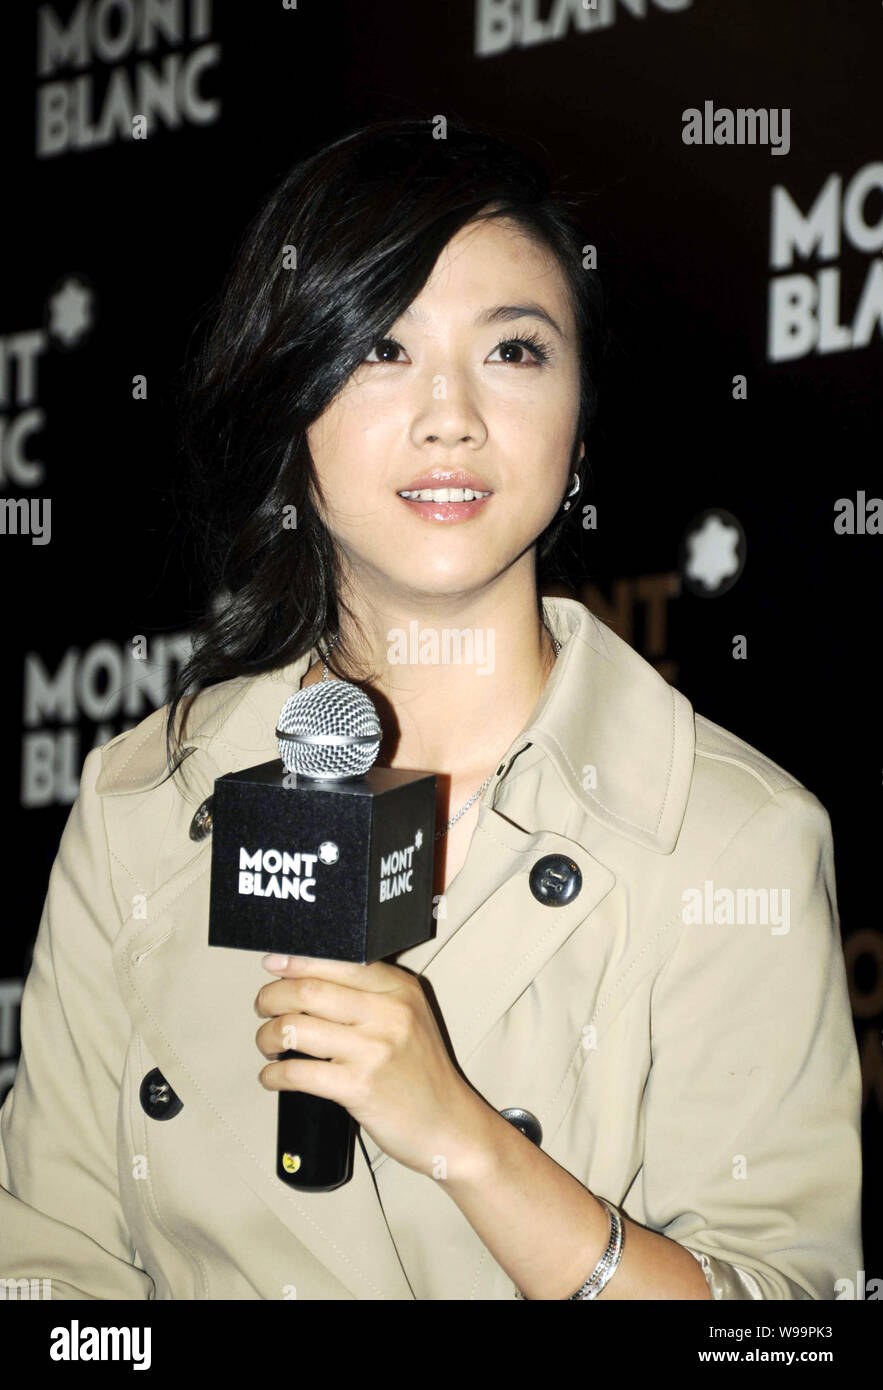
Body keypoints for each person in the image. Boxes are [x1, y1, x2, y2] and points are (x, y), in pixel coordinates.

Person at [0, 118, 862, 1301]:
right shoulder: (143, 802)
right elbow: (50, 1273)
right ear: (289, 400)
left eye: (513, 352)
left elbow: (785, 1325)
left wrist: (468, 1142)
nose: (449, 414)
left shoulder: (731, 835)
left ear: (576, 416)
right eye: (379, 353)